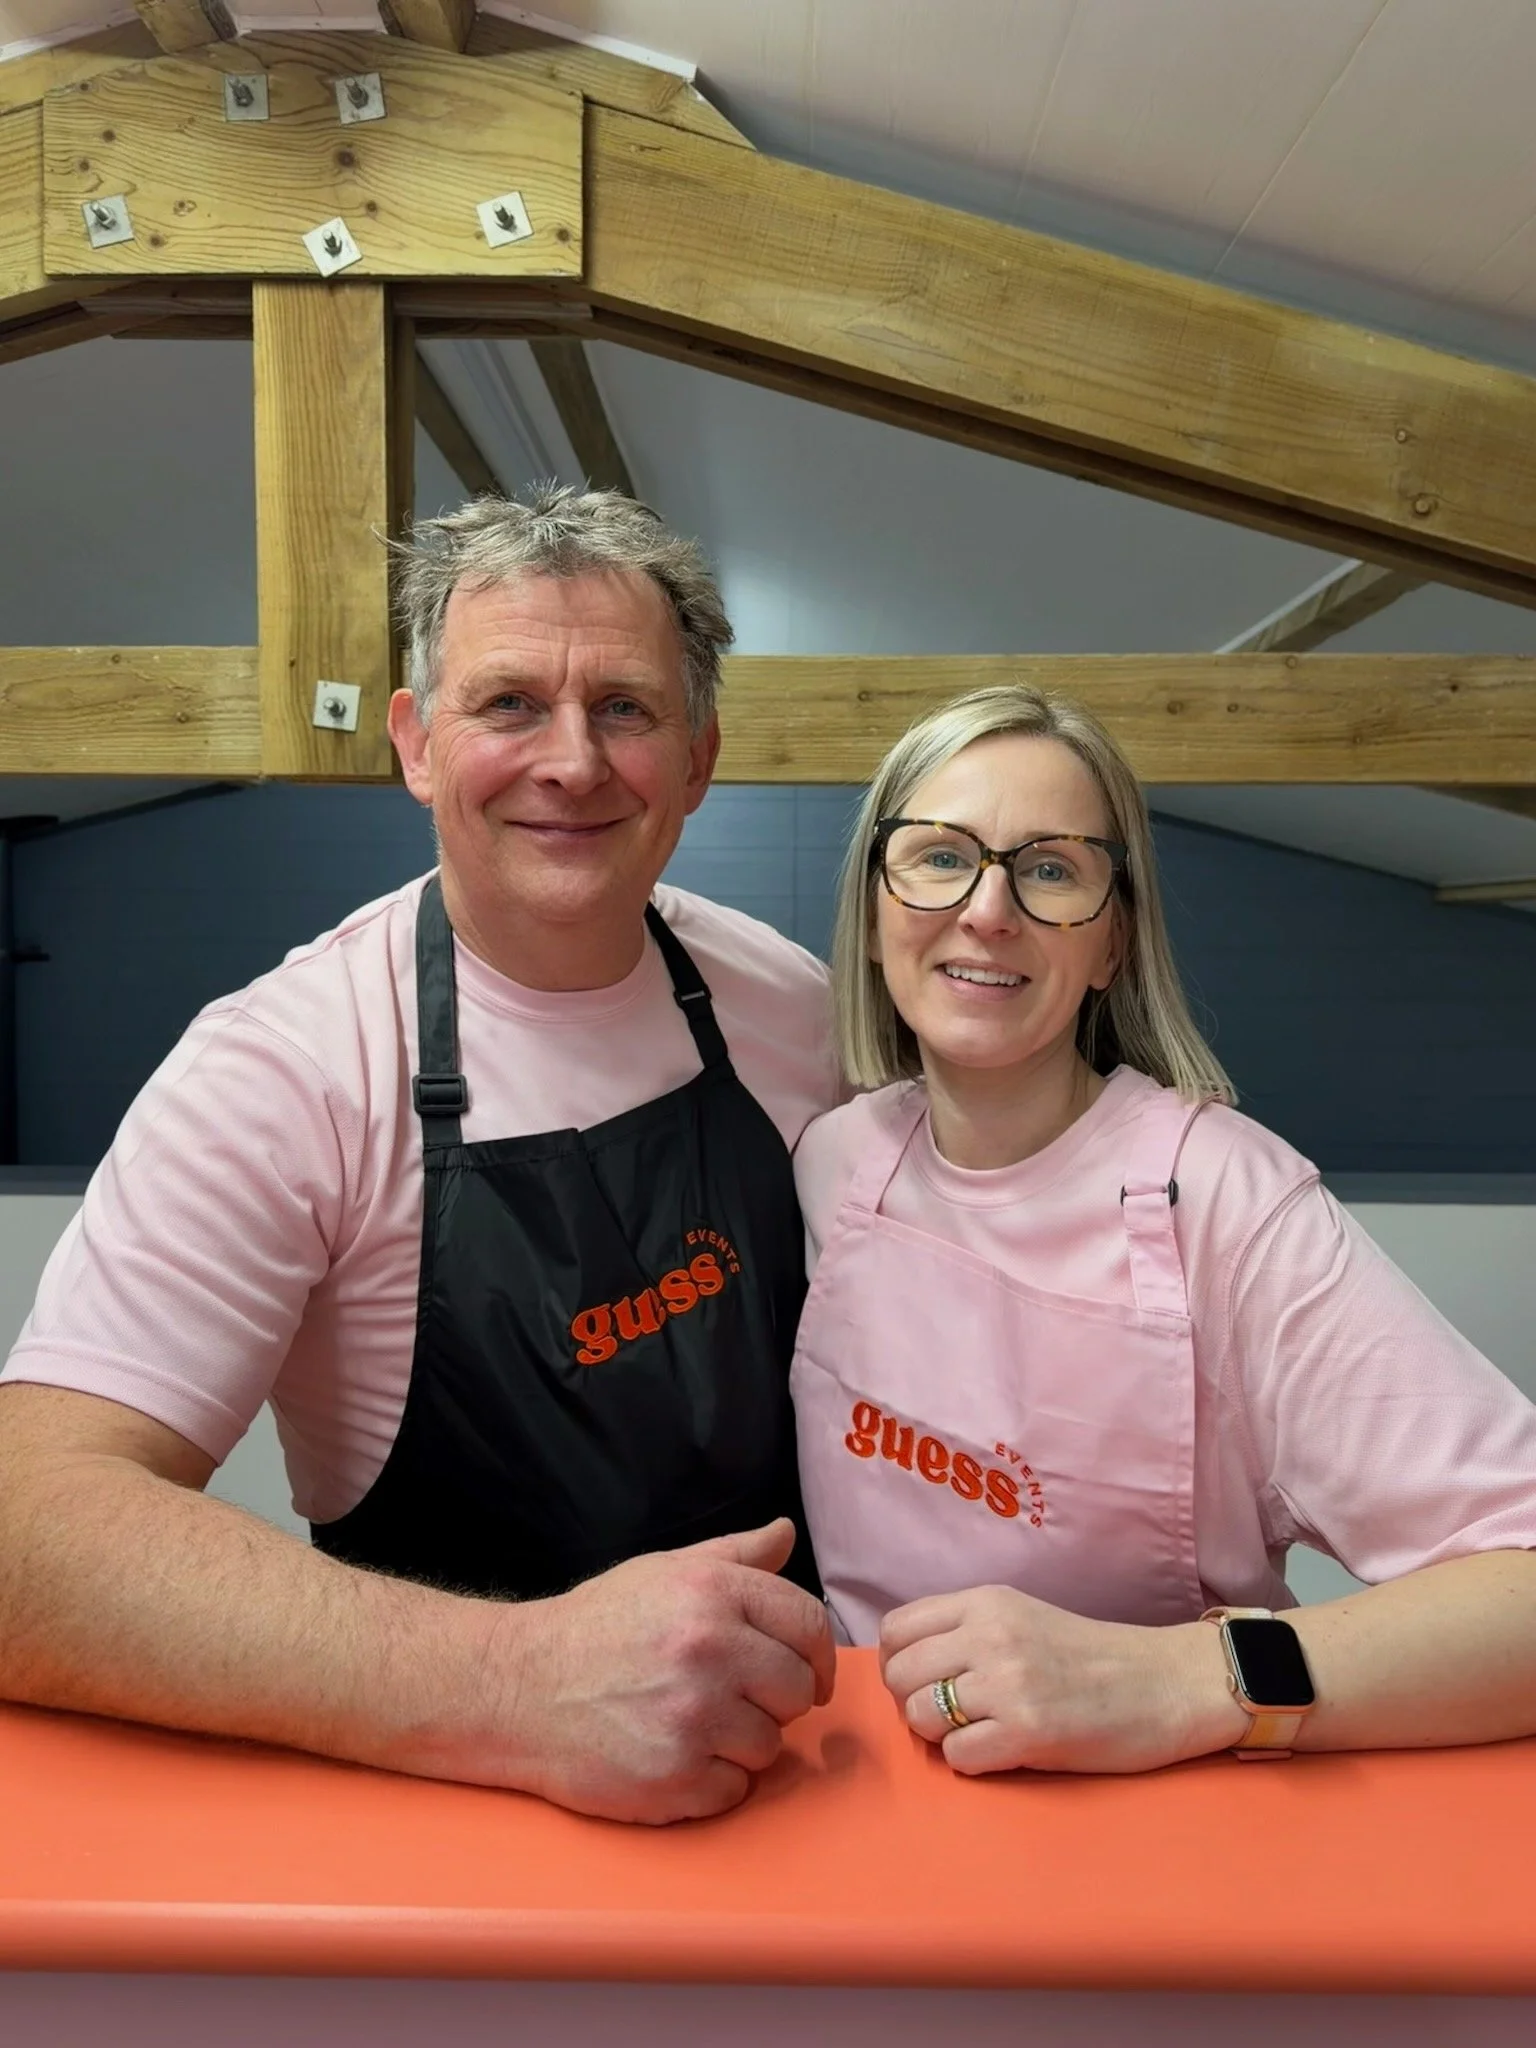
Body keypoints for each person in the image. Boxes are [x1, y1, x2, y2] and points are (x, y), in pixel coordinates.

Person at [0, 487, 838, 1825]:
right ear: (416, 742)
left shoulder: (788, 1003)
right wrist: (518, 1681)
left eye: (625, 708)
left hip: (802, 1768)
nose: (572, 761)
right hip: (450, 1811)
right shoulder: (287, 1069)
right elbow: (24, 1531)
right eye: (509, 705)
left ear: (699, 755)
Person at [790, 682, 1536, 1775]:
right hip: (874, 1810)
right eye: (940, 855)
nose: (988, 909)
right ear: (874, 910)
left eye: (1050, 868)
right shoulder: (834, 1161)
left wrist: (1183, 1676)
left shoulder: (1231, 1199)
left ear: (1112, 943)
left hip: (1163, 1846)